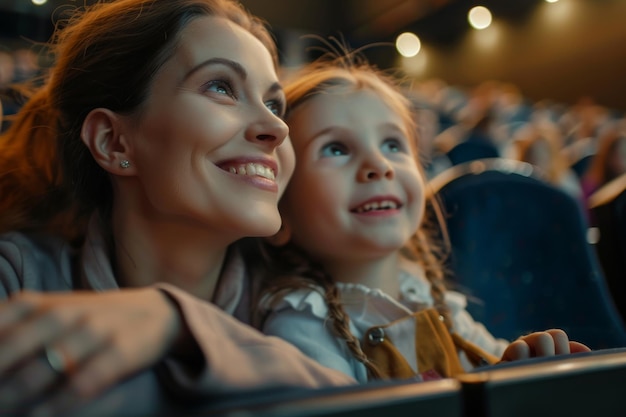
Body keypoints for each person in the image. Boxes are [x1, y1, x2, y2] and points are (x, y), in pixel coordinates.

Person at [0, 1, 355, 416]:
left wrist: (179, 323)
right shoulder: (17, 276)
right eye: (221, 87)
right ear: (114, 143)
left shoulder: (301, 297)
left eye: (275, 104)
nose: (277, 127)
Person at [255, 53, 591, 383]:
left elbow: (490, 371)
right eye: (336, 149)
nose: (380, 165)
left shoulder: (432, 299)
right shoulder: (302, 325)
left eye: (392, 144)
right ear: (280, 213)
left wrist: (522, 363)